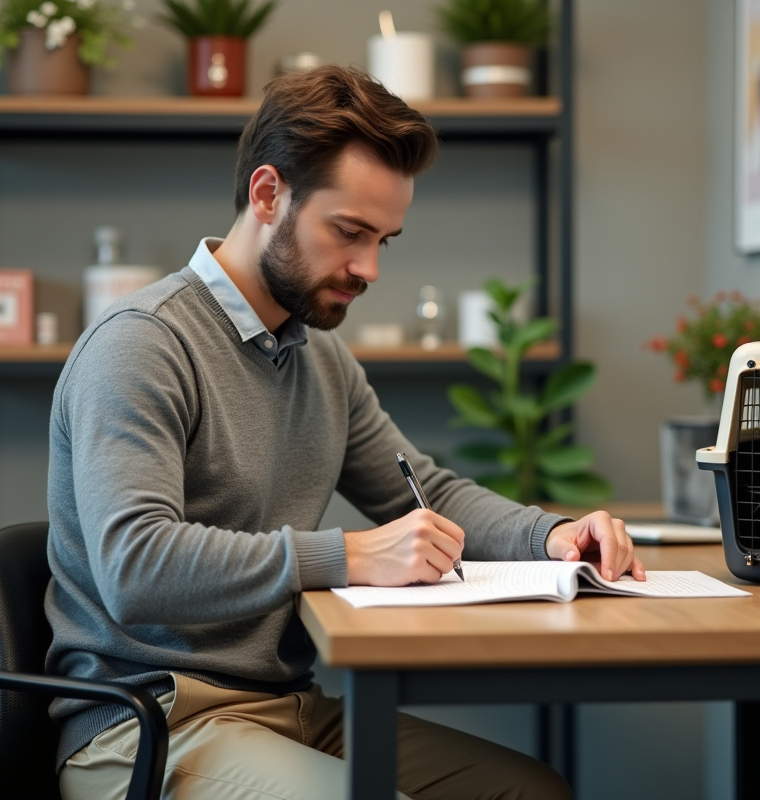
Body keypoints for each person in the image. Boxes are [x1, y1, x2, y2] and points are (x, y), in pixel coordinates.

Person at [45, 64, 645, 800]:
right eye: (348, 232)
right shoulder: (142, 344)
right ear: (268, 194)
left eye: (384, 240)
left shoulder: (317, 354)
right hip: (148, 721)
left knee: (530, 791)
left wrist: (549, 537)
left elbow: (424, 491)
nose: (367, 268)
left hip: (289, 708)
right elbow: (134, 568)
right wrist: (351, 555)